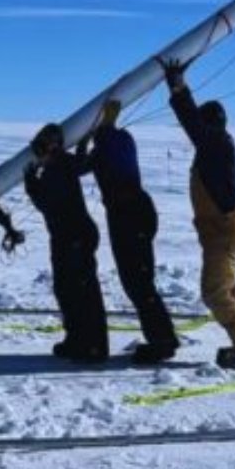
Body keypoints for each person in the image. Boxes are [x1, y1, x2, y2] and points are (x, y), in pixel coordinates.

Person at [159, 57, 235, 369]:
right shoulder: (217, 145)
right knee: (230, 289)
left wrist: (178, 87)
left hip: (223, 231)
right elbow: (196, 127)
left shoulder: (215, 144)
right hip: (224, 230)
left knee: (215, 292)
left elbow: (192, 123)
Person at [75, 99, 180, 364]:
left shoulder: (104, 150)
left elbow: (78, 168)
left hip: (127, 217)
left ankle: (162, 341)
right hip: (140, 212)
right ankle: (162, 337)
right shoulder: (125, 140)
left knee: (137, 281)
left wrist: (82, 143)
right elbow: (106, 143)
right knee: (140, 280)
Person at [24, 122, 110, 362]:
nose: (40, 153)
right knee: (66, 290)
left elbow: (48, 204)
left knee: (82, 292)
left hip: (75, 236)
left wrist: (32, 186)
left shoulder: (59, 166)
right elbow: (83, 164)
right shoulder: (59, 165)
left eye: (43, 146)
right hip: (66, 236)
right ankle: (76, 339)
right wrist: (83, 144)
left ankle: (93, 346)